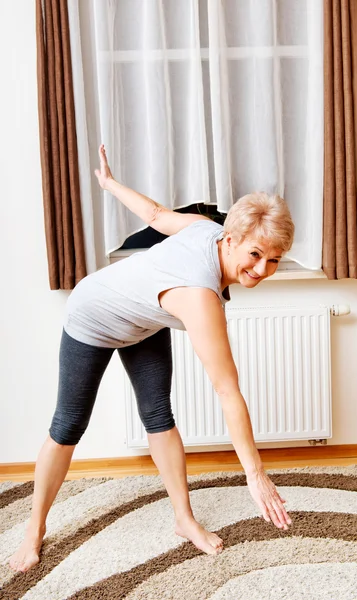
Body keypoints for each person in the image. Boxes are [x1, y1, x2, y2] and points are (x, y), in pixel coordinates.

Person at [10, 144, 294, 572]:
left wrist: (111, 183)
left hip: (145, 319)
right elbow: (227, 390)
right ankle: (34, 528)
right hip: (94, 317)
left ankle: (184, 519)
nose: (262, 269)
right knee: (68, 424)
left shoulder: (208, 232)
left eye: (274, 260)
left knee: (158, 415)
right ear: (229, 238)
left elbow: (158, 215)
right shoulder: (200, 291)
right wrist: (255, 474)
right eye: (255, 254)